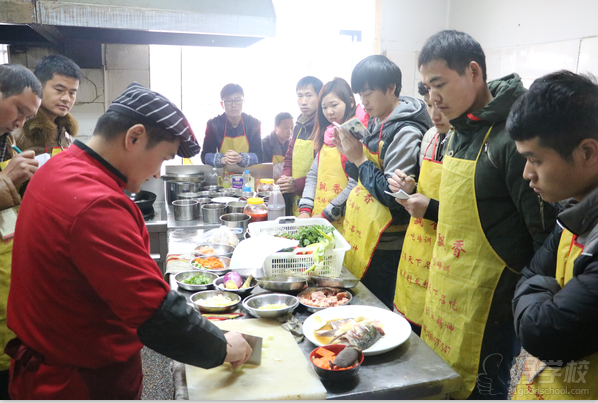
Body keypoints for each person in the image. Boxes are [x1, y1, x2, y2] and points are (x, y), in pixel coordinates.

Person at [5, 83, 250, 399]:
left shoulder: (58, 168)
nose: (158, 174)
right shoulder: (97, 204)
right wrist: (222, 347)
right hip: (79, 384)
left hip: (48, 367)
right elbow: (156, 314)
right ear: (134, 137)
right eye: (163, 158)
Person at [391, 30, 556, 399]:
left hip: (492, 307)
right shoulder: (460, 129)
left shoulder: (513, 136)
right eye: (426, 87)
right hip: (448, 289)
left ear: (473, 72)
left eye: (439, 84)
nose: (432, 98)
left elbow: (544, 236)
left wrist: (528, 308)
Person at [507, 71, 598, 400]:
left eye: (535, 159)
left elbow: (544, 334)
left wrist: (540, 295)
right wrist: (546, 294)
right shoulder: (576, 208)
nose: (527, 174)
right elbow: (532, 273)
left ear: (587, 152)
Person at [332, 55, 430, 309]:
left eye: (368, 93)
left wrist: (360, 158)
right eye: (360, 94)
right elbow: (359, 177)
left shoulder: (405, 130)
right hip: (366, 232)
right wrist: (349, 153)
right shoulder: (377, 122)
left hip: (387, 243)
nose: (363, 101)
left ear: (390, 88)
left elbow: (392, 196)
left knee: (376, 309)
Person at [391, 81, 452, 332]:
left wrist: (432, 208)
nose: (434, 115)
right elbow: (423, 187)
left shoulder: (466, 142)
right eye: (429, 106)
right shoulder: (429, 137)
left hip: (448, 249)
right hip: (418, 244)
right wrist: (406, 188)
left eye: (440, 106)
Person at [0, 64, 42, 400]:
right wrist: (5, 183)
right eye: (18, 110)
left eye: (28, 117)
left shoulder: (6, 144)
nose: (19, 123)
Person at [298, 77, 360, 232]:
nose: (329, 112)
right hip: (318, 216)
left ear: (351, 102)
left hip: (343, 219)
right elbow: (313, 174)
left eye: (334, 105)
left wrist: (326, 215)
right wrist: (305, 210)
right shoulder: (326, 133)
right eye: (324, 107)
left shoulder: (356, 135)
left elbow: (355, 183)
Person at [14, 54, 81, 156]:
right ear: (38, 86)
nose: (66, 99)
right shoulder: (16, 129)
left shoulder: (64, 132)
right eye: (59, 90)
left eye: (72, 93)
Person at [278, 76, 323, 216]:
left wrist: (296, 184)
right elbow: (289, 158)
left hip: (315, 198)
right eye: (300, 96)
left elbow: (323, 169)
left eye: (309, 96)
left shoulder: (323, 127)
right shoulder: (298, 126)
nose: (303, 101)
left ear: (320, 97)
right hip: (295, 195)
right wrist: (285, 179)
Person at [201, 83, 262, 167]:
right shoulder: (214, 124)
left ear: (243, 102)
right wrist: (222, 159)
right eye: (229, 101)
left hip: (248, 175)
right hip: (223, 175)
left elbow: (260, 155)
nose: (233, 105)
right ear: (222, 104)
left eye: (237, 100)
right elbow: (205, 156)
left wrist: (240, 158)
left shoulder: (253, 124)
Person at [262, 112, 293, 179]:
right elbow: (263, 170)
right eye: (286, 128)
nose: (290, 132)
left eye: (292, 128)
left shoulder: (292, 145)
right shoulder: (264, 144)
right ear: (276, 128)